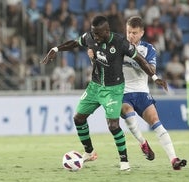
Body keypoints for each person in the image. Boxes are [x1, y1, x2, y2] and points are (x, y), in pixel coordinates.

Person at [41, 15, 167, 171]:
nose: (95, 36)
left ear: (107, 31)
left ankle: (124, 162)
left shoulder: (120, 42)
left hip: (113, 89)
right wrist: (56, 49)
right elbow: (74, 42)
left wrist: (155, 77)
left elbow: (140, 59)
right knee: (78, 118)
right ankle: (89, 152)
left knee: (113, 125)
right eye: (93, 33)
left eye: (98, 33)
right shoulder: (90, 38)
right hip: (95, 86)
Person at [120, 16, 187, 170]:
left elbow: (152, 70)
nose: (131, 36)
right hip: (123, 92)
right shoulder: (119, 47)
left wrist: (135, 58)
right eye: (129, 32)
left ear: (142, 33)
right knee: (127, 113)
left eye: (134, 33)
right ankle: (143, 143)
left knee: (156, 122)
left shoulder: (148, 49)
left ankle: (174, 160)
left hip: (142, 92)